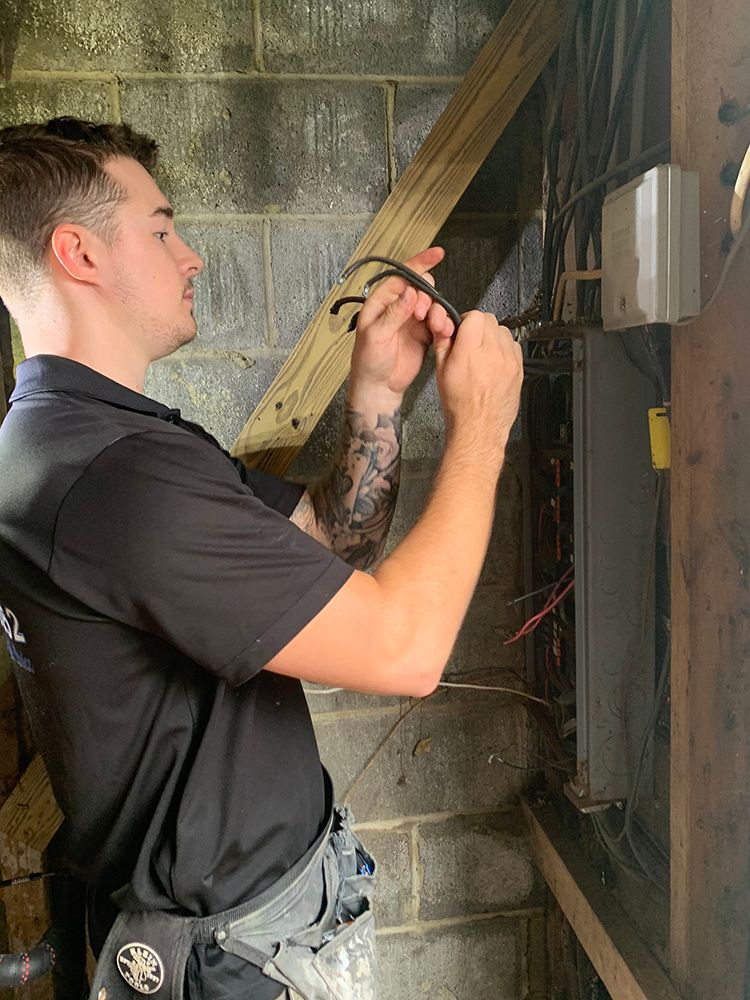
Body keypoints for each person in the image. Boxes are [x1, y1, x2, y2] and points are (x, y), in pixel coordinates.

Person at [0, 118, 523, 1000]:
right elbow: (406, 651)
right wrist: (482, 426)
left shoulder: (83, 440)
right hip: (232, 964)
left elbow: (329, 543)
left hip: (250, 931)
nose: (191, 255)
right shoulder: (114, 479)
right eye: (162, 229)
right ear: (77, 253)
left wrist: (379, 393)